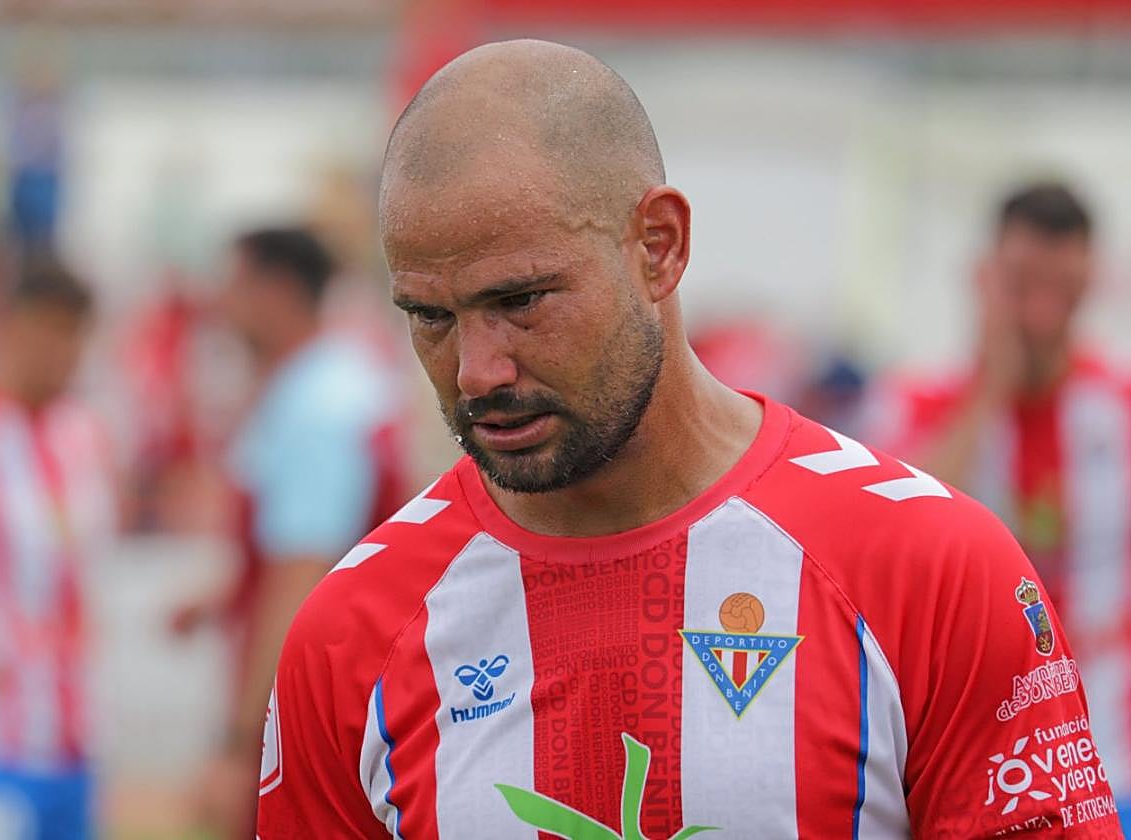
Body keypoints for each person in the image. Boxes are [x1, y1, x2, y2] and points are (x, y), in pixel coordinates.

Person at [257, 42, 1120, 838]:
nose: (477, 371)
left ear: (659, 247)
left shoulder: (930, 567)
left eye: (520, 301)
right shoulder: (351, 636)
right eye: (430, 316)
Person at [869, 181, 1131, 828]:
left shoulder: (1119, 406)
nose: (1040, 315)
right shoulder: (916, 403)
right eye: (1022, 287)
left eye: (1062, 292)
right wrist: (990, 388)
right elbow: (891, 542)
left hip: (1116, 759)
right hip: (974, 762)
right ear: (984, 280)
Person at [181, 228, 405, 836]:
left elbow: (300, 579)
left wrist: (240, 745)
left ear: (276, 292)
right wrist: (227, 595)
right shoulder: (325, 383)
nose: (220, 303)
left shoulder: (316, 405)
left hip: (317, 711)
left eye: (233, 284)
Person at [0, 254, 116, 840]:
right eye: (52, 332)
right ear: (8, 326)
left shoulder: (80, 434)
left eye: (76, 336)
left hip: (74, 739)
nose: (66, 353)